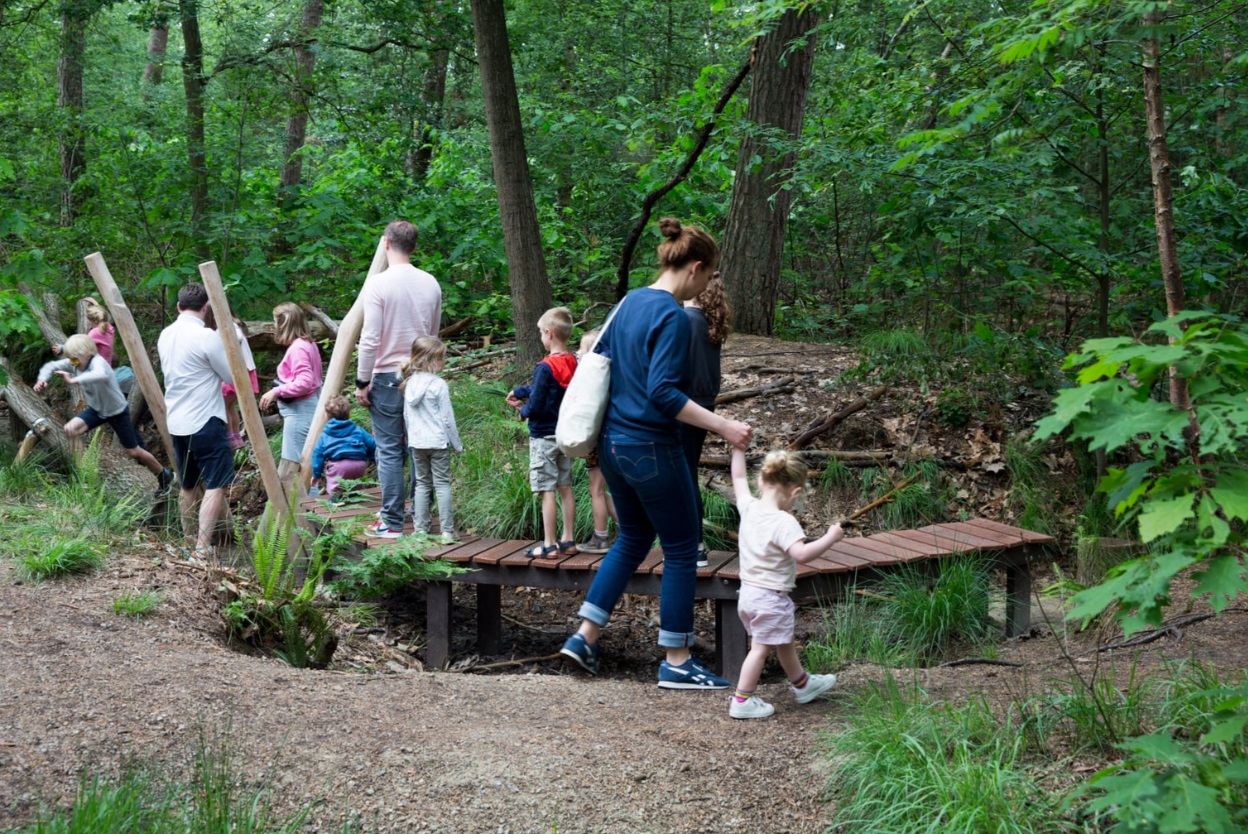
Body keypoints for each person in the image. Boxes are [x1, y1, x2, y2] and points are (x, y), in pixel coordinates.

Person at [560, 217, 751, 688]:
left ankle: (584, 636)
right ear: (696, 267)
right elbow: (663, 393)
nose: (704, 288)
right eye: (706, 278)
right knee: (683, 549)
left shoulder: (628, 304)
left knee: (632, 539)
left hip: (613, 448)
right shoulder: (669, 314)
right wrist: (725, 426)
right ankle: (677, 659)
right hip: (650, 446)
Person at [726, 446, 843, 719]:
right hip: (770, 598)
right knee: (760, 648)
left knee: (783, 641)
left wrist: (738, 448)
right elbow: (801, 554)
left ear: (761, 481)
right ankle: (742, 699)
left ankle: (802, 684)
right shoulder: (784, 522)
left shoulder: (748, 507)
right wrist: (830, 538)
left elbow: (738, 477)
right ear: (794, 492)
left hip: (749, 595)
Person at [355, 219, 443, 538]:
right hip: (421, 374)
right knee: (420, 444)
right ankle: (417, 511)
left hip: (386, 376)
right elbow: (432, 335)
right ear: (414, 247)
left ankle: (391, 521)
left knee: (390, 449)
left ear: (386, 243)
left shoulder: (378, 285)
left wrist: (361, 381)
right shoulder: (431, 283)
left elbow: (370, 338)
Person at [34, 334, 174, 495]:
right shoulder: (76, 362)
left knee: (134, 451)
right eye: (71, 357)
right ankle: (86, 476)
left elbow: (99, 375)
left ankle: (164, 475)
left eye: (75, 357)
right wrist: (42, 379)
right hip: (97, 410)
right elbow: (51, 365)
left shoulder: (98, 363)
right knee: (70, 429)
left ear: (87, 353)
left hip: (117, 412)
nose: (73, 361)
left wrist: (73, 381)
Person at [156, 283, 236, 560]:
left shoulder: (165, 334)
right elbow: (229, 375)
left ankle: (187, 541)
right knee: (216, 484)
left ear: (178, 306)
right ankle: (202, 549)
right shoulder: (206, 336)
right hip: (205, 418)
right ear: (205, 308)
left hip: (176, 420)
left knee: (188, 484)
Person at [507, 307, 578, 558]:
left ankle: (548, 545)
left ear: (549, 333)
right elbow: (550, 391)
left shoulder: (545, 366)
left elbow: (536, 405)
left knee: (546, 489)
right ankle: (568, 540)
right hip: (563, 435)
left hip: (543, 437)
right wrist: (520, 390)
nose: (540, 337)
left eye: (540, 332)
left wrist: (522, 411)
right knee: (565, 486)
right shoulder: (571, 361)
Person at [682, 271, 731, 567]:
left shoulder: (687, 320)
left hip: (684, 408)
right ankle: (690, 543)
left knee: (683, 475)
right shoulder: (707, 322)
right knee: (685, 472)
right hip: (702, 405)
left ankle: (693, 545)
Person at [402, 335, 462, 543]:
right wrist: (457, 444)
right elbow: (447, 418)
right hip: (437, 441)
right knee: (442, 484)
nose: (444, 362)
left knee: (421, 485)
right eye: (442, 358)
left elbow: (407, 417)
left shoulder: (409, 384)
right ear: (431, 360)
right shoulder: (439, 385)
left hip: (417, 443)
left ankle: (420, 530)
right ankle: (446, 531)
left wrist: (411, 438)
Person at [258, 302, 323, 464]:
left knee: (293, 469)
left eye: (275, 323)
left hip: (300, 412)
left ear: (283, 324)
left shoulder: (298, 349)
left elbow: (306, 382)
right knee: (304, 466)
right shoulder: (308, 344)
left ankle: (301, 492)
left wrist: (275, 391)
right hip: (306, 409)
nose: (274, 327)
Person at [573, 329, 617, 555]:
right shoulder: (610, 376)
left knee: (596, 490)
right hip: (611, 439)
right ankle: (631, 529)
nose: (577, 353)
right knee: (602, 489)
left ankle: (601, 538)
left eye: (581, 348)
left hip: (598, 441)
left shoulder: (592, 380)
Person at [310, 394, 376, 500]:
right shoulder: (358, 430)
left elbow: (317, 455)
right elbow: (372, 444)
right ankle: (355, 497)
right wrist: (372, 458)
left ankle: (335, 501)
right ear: (348, 414)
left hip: (338, 467)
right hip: (359, 464)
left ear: (327, 416)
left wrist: (316, 474)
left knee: (335, 488)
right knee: (355, 485)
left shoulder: (325, 435)